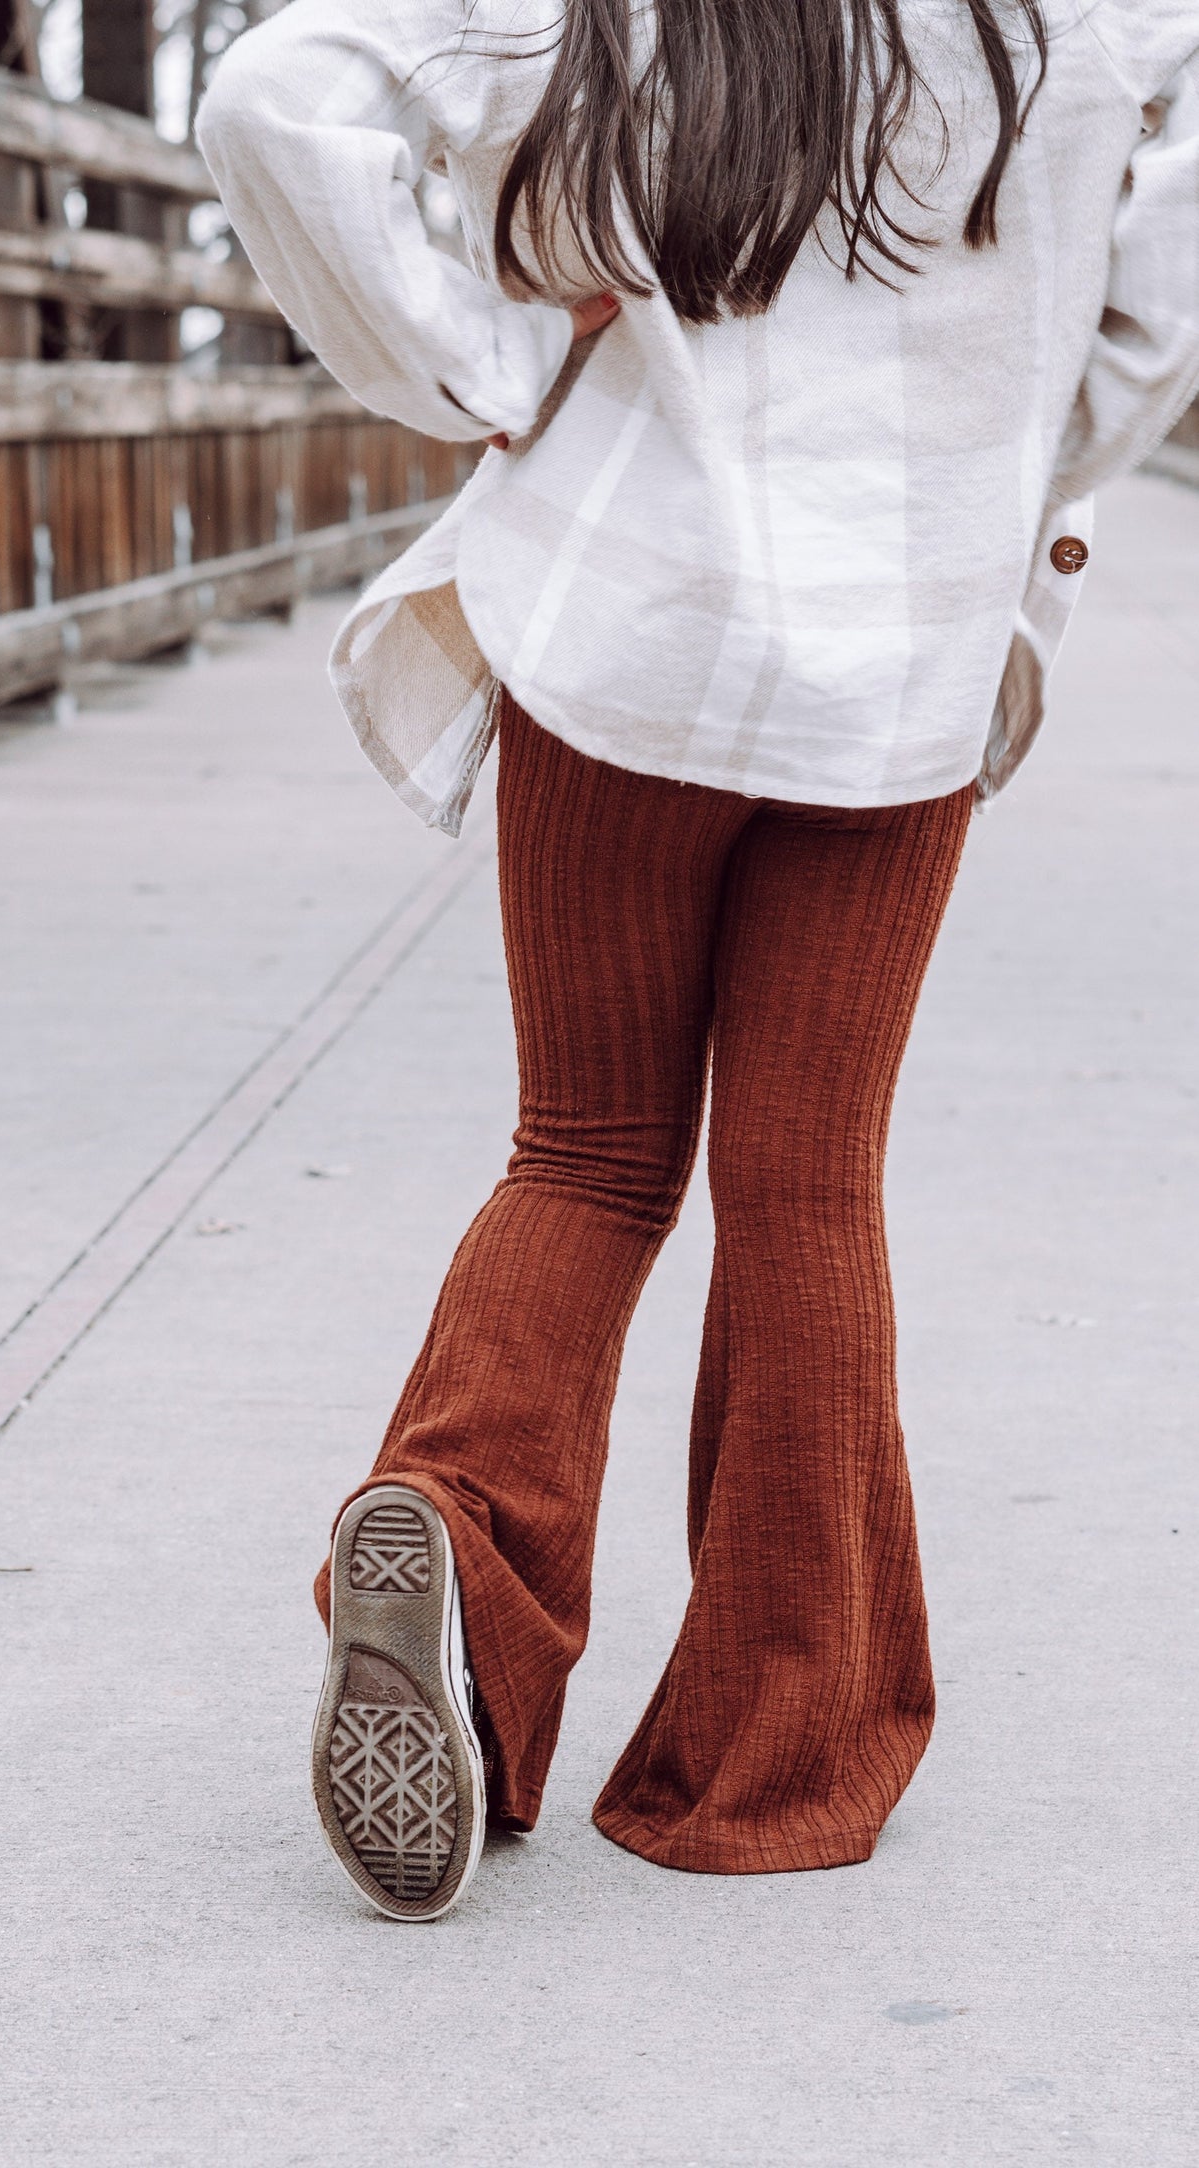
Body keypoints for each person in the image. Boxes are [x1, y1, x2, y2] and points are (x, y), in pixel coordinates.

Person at [197, 0, 1199, 1920]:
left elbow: (273, 96)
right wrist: (1045, 430)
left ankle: (454, 1538)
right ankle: (773, 1760)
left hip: (620, 633)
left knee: (585, 1152)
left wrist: (477, 358)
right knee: (804, 1181)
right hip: (899, 668)